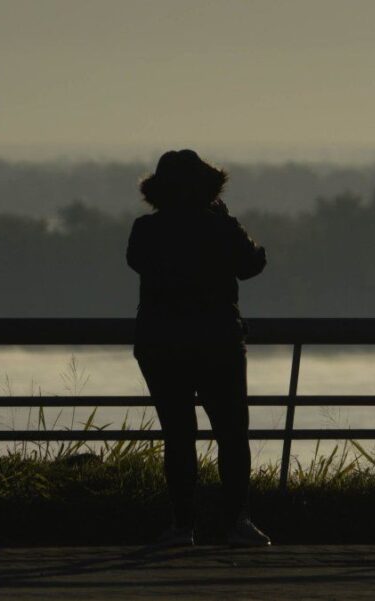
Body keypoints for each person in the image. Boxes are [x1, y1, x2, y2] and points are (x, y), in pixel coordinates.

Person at [127, 149, 270, 547]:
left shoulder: (146, 230)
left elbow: (137, 261)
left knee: (177, 435)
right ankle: (236, 521)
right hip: (218, 344)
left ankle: (182, 525)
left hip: (161, 345)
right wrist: (227, 222)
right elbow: (252, 263)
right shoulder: (219, 229)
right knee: (231, 433)